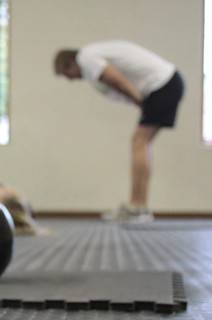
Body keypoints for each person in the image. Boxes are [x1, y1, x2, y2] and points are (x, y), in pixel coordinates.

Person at [54, 40, 185, 223]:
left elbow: (114, 77)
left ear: (69, 63)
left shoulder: (86, 58)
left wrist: (138, 98)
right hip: (165, 83)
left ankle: (138, 207)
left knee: (139, 142)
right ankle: (138, 206)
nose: (69, 79)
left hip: (162, 84)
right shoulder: (92, 56)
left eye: (66, 74)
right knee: (141, 143)